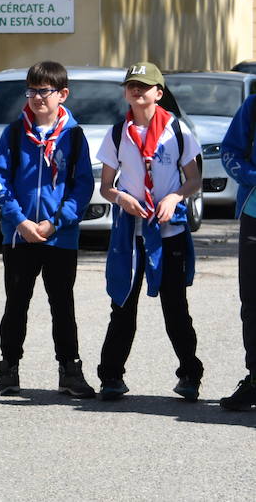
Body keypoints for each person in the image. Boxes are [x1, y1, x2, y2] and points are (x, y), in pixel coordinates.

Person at [0, 61, 96, 399]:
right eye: (31, 90)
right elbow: (0, 180)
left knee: (62, 305)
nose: (36, 97)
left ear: (62, 94)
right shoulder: (14, 133)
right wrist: (20, 220)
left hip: (60, 236)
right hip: (19, 235)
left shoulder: (73, 136)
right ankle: (8, 368)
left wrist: (55, 221)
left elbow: (82, 186)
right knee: (16, 303)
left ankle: (70, 370)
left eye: (43, 91)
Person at [96, 62, 203, 402]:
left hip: (168, 232)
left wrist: (174, 196)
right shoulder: (117, 132)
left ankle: (189, 374)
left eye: (144, 86)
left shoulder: (178, 131)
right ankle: (111, 377)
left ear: (159, 92)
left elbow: (194, 179)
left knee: (175, 306)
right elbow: (106, 187)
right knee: (123, 304)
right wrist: (122, 198)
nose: (137, 91)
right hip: (130, 233)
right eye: (131, 85)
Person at [219, 87, 256, 411]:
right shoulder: (253, 106)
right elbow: (230, 152)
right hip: (254, 217)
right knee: (253, 303)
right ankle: (255, 377)